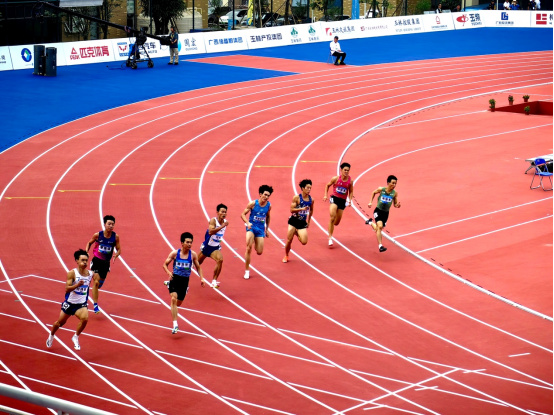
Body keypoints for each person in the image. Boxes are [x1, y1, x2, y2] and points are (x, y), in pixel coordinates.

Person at [46, 249, 97, 351]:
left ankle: (75, 337)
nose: (85, 262)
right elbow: (67, 288)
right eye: (82, 260)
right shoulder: (72, 273)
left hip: (81, 304)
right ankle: (51, 335)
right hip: (69, 303)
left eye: (86, 260)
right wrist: (77, 285)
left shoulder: (90, 274)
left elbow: (98, 280)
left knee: (85, 318)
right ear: (77, 261)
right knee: (59, 323)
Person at [163, 232, 205, 334]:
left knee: (178, 303)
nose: (189, 244)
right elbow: (164, 264)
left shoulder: (193, 255)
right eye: (187, 242)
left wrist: (202, 279)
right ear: (182, 243)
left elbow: (198, 267)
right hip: (175, 278)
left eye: (191, 242)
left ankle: (171, 287)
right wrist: (169, 272)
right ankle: (175, 324)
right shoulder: (174, 253)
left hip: (185, 281)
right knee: (173, 299)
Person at [85, 215, 121, 314]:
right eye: (109, 224)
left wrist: (117, 254)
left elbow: (119, 249)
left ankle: (89, 288)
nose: (111, 226)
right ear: (104, 224)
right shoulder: (98, 235)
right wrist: (86, 252)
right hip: (96, 261)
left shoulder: (115, 237)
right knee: (96, 282)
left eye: (113, 224)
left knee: (99, 285)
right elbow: (89, 243)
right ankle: (95, 305)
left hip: (106, 263)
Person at [241, 185, 273, 280]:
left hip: (260, 229)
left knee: (259, 252)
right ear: (260, 194)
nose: (266, 197)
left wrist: (267, 229)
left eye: (268, 195)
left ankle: (255, 239)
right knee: (248, 247)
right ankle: (247, 270)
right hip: (251, 227)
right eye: (265, 194)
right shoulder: (253, 204)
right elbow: (242, 214)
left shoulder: (268, 205)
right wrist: (247, 223)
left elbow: (268, 216)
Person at [366, 175, 401, 253]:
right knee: (380, 226)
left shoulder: (395, 193)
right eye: (393, 183)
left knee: (378, 229)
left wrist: (397, 205)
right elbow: (373, 192)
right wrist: (370, 202)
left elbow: (395, 204)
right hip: (378, 210)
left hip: (386, 213)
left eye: (395, 183)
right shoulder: (381, 189)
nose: (394, 185)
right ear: (388, 183)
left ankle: (370, 222)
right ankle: (380, 246)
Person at [283, 179, 315, 263]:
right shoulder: (297, 198)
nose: (309, 189)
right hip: (293, 220)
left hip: (302, 222)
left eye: (310, 188)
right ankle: (286, 255)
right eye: (307, 187)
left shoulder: (311, 200)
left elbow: (311, 211)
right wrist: (301, 209)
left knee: (304, 242)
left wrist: (309, 221)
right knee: (289, 240)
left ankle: (296, 232)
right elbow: (291, 210)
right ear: (302, 188)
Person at [323, 163, 354, 247]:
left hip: (342, 201)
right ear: (341, 170)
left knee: (336, 222)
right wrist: (326, 195)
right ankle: (330, 238)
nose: (346, 172)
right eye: (345, 170)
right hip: (334, 198)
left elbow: (351, 191)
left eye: (348, 170)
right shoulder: (336, 179)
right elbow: (327, 185)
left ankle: (330, 226)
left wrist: (350, 200)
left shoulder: (350, 181)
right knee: (332, 217)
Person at [198, 204, 229, 289]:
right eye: (222, 211)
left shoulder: (225, 222)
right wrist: (222, 226)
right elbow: (210, 232)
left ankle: (214, 281)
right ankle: (174, 277)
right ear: (217, 212)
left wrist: (223, 225)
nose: (224, 213)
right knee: (196, 263)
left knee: (220, 260)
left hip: (215, 248)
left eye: (225, 212)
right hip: (207, 247)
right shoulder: (213, 220)